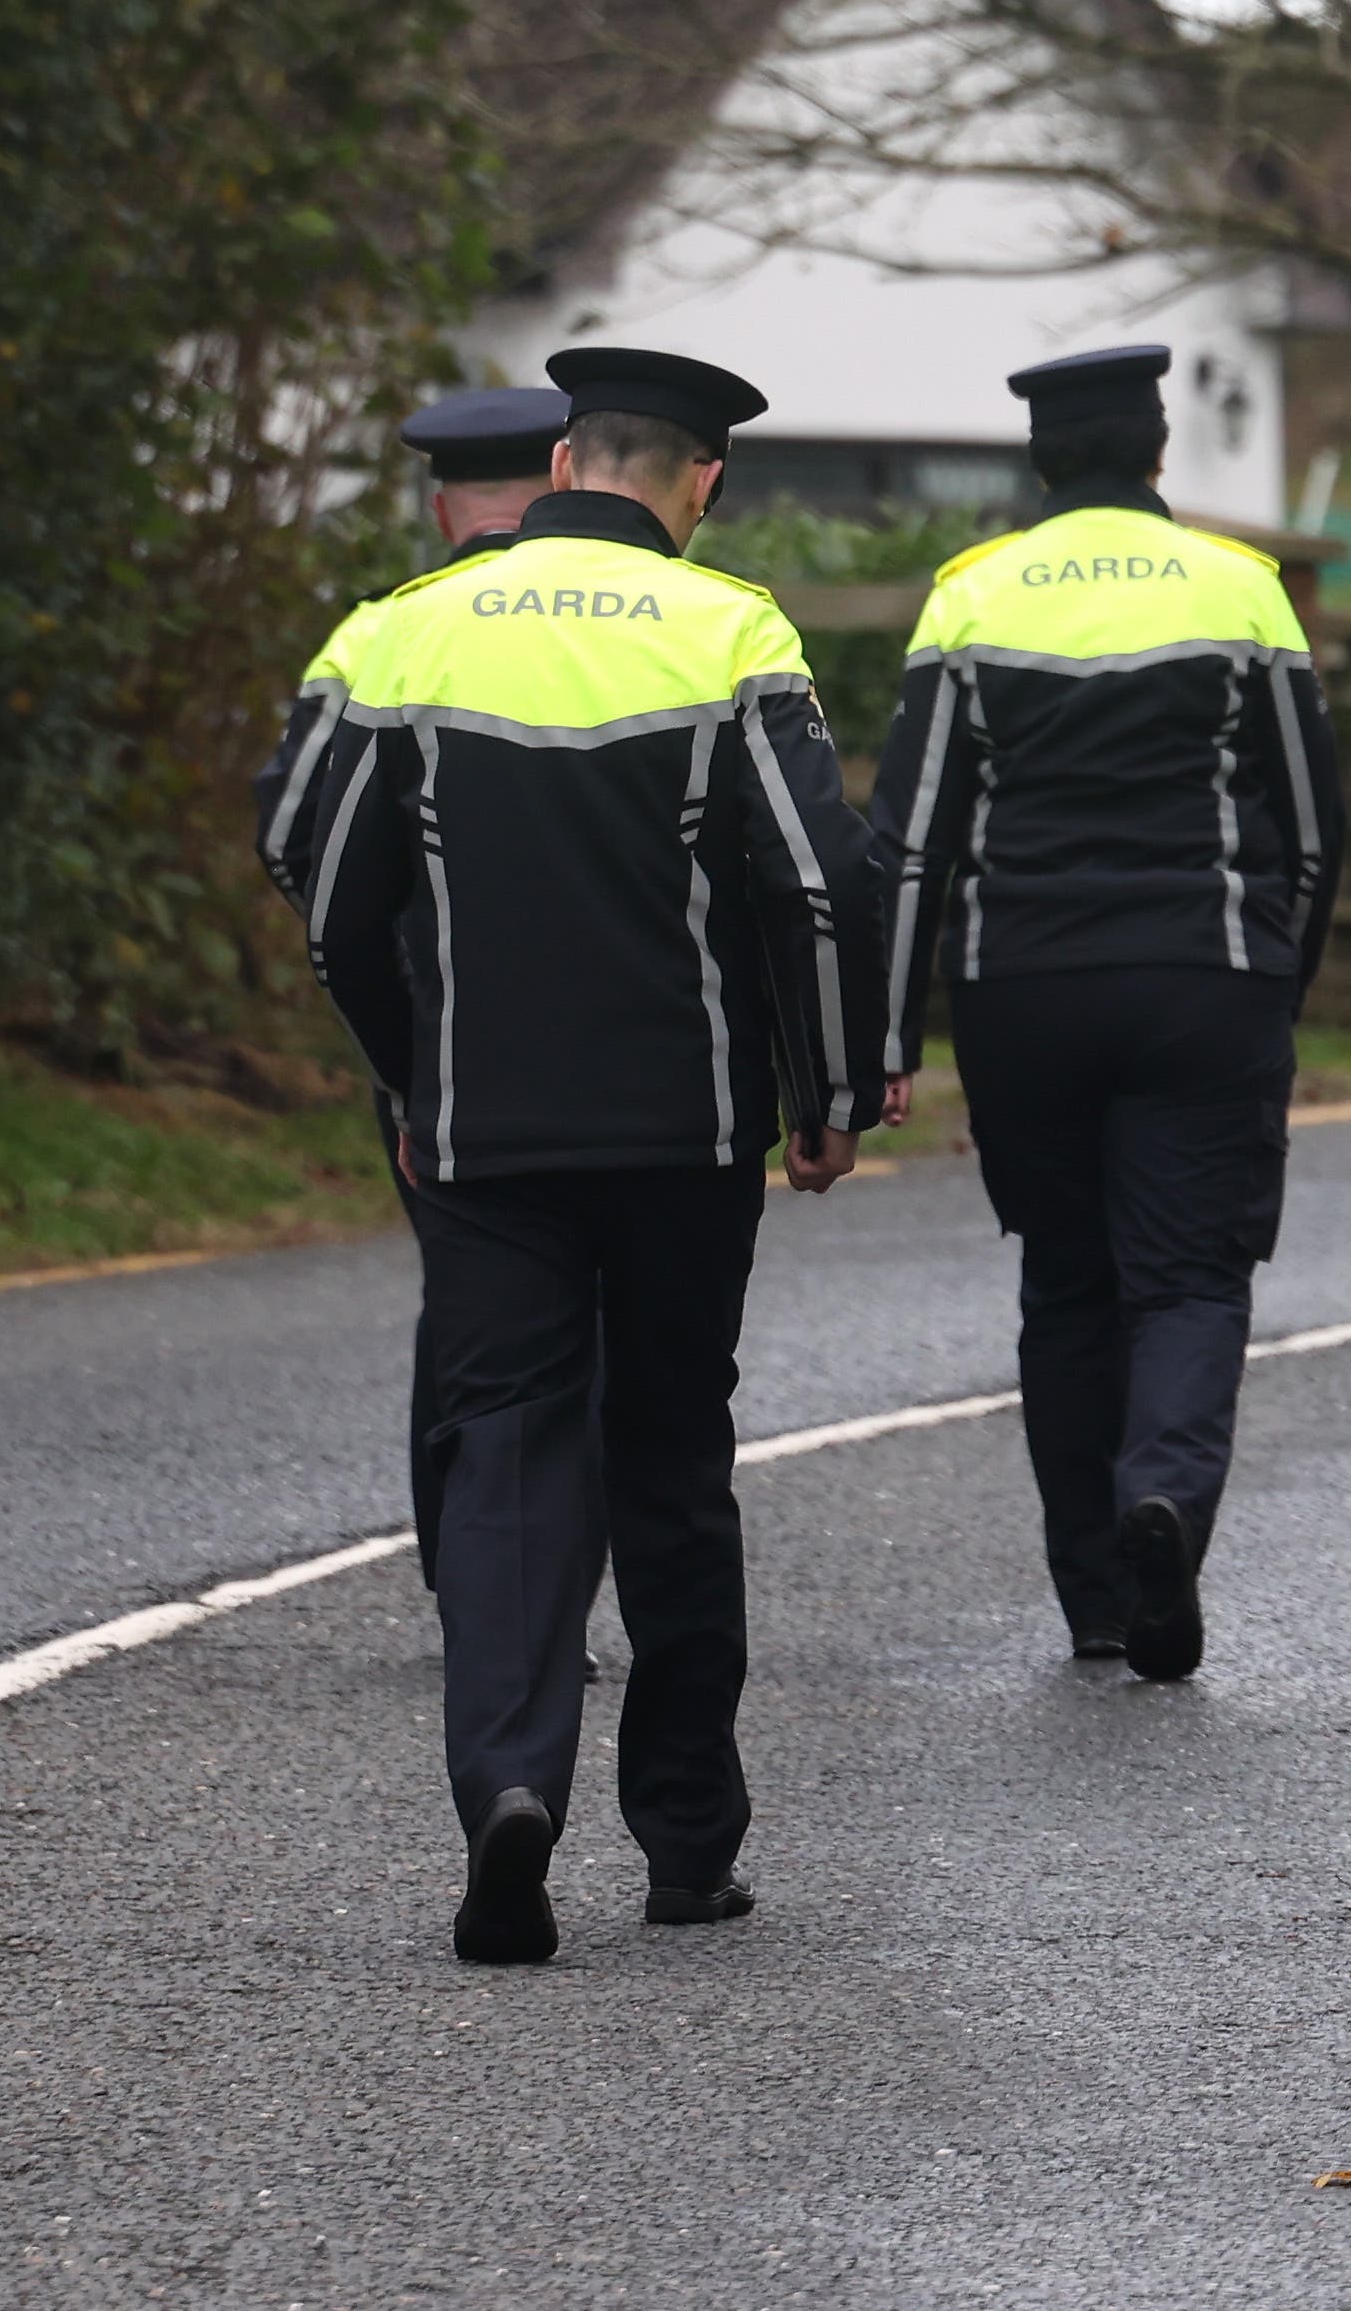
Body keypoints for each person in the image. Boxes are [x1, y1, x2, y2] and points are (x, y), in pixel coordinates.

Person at [263, 347, 890, 1965]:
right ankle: (686, 1842)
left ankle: (507, 1786)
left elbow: (317, 871)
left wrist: (412, 1066)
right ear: (701, 482)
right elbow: (818, 880)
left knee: (506, 1440)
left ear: (558, 460)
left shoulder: (404, 630)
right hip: (684, 1132)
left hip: (481, 1133)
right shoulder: (730, 626)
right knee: (672, 1449)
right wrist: (831, 1084)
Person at [876, 343, 1339, 1682]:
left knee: (1067, 1278)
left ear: (1038, 463)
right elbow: (1312, 822)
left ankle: (1091, 1589)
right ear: (1155, 454)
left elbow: (910, 838)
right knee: (1190, 1272)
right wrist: (1277, 978)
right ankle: (1167, 1507)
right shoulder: (1240, 588)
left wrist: (889, 1034)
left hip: (1018, 985)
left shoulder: (970, 596)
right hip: (1203, 974)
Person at [250, 383, 569, 1574]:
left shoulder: (380, 632)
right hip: (623, 1016)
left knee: (470, 1293)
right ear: (571, 479)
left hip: (433, 1028)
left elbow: (291, 833)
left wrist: (394, 965)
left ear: (443, 511)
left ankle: (470, 1567)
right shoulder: (632, 618)